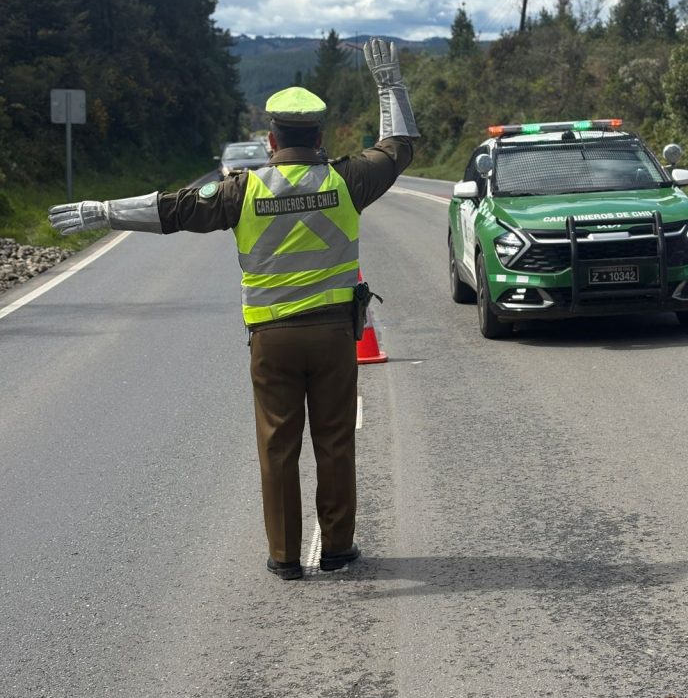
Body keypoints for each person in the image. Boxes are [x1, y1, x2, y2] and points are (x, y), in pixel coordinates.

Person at [48, 38, 418, 581]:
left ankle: (286, 558)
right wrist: (390, 85)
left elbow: (172, 210)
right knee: (335, 442)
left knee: (278, 448)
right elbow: (399, 146)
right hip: (334, 335)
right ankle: (338, 549)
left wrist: (104, 211)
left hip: (272, 339)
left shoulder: (240, 190)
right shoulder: (347, 180)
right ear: (319, 136)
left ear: (270, 139)